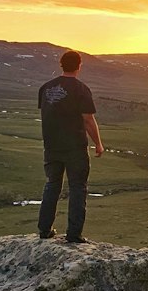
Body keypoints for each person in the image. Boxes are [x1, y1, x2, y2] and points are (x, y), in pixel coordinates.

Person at [36, 49, 103, 243]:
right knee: (77, 188)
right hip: (74, 147)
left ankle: (44, 229)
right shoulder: (81, 89)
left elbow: (49, 114)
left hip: (51, 146)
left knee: (52, 185)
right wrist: (98, 143)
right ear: (79, 66)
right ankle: (74, 234)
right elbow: (88, 119)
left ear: (61, 65)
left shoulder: (46, 88)